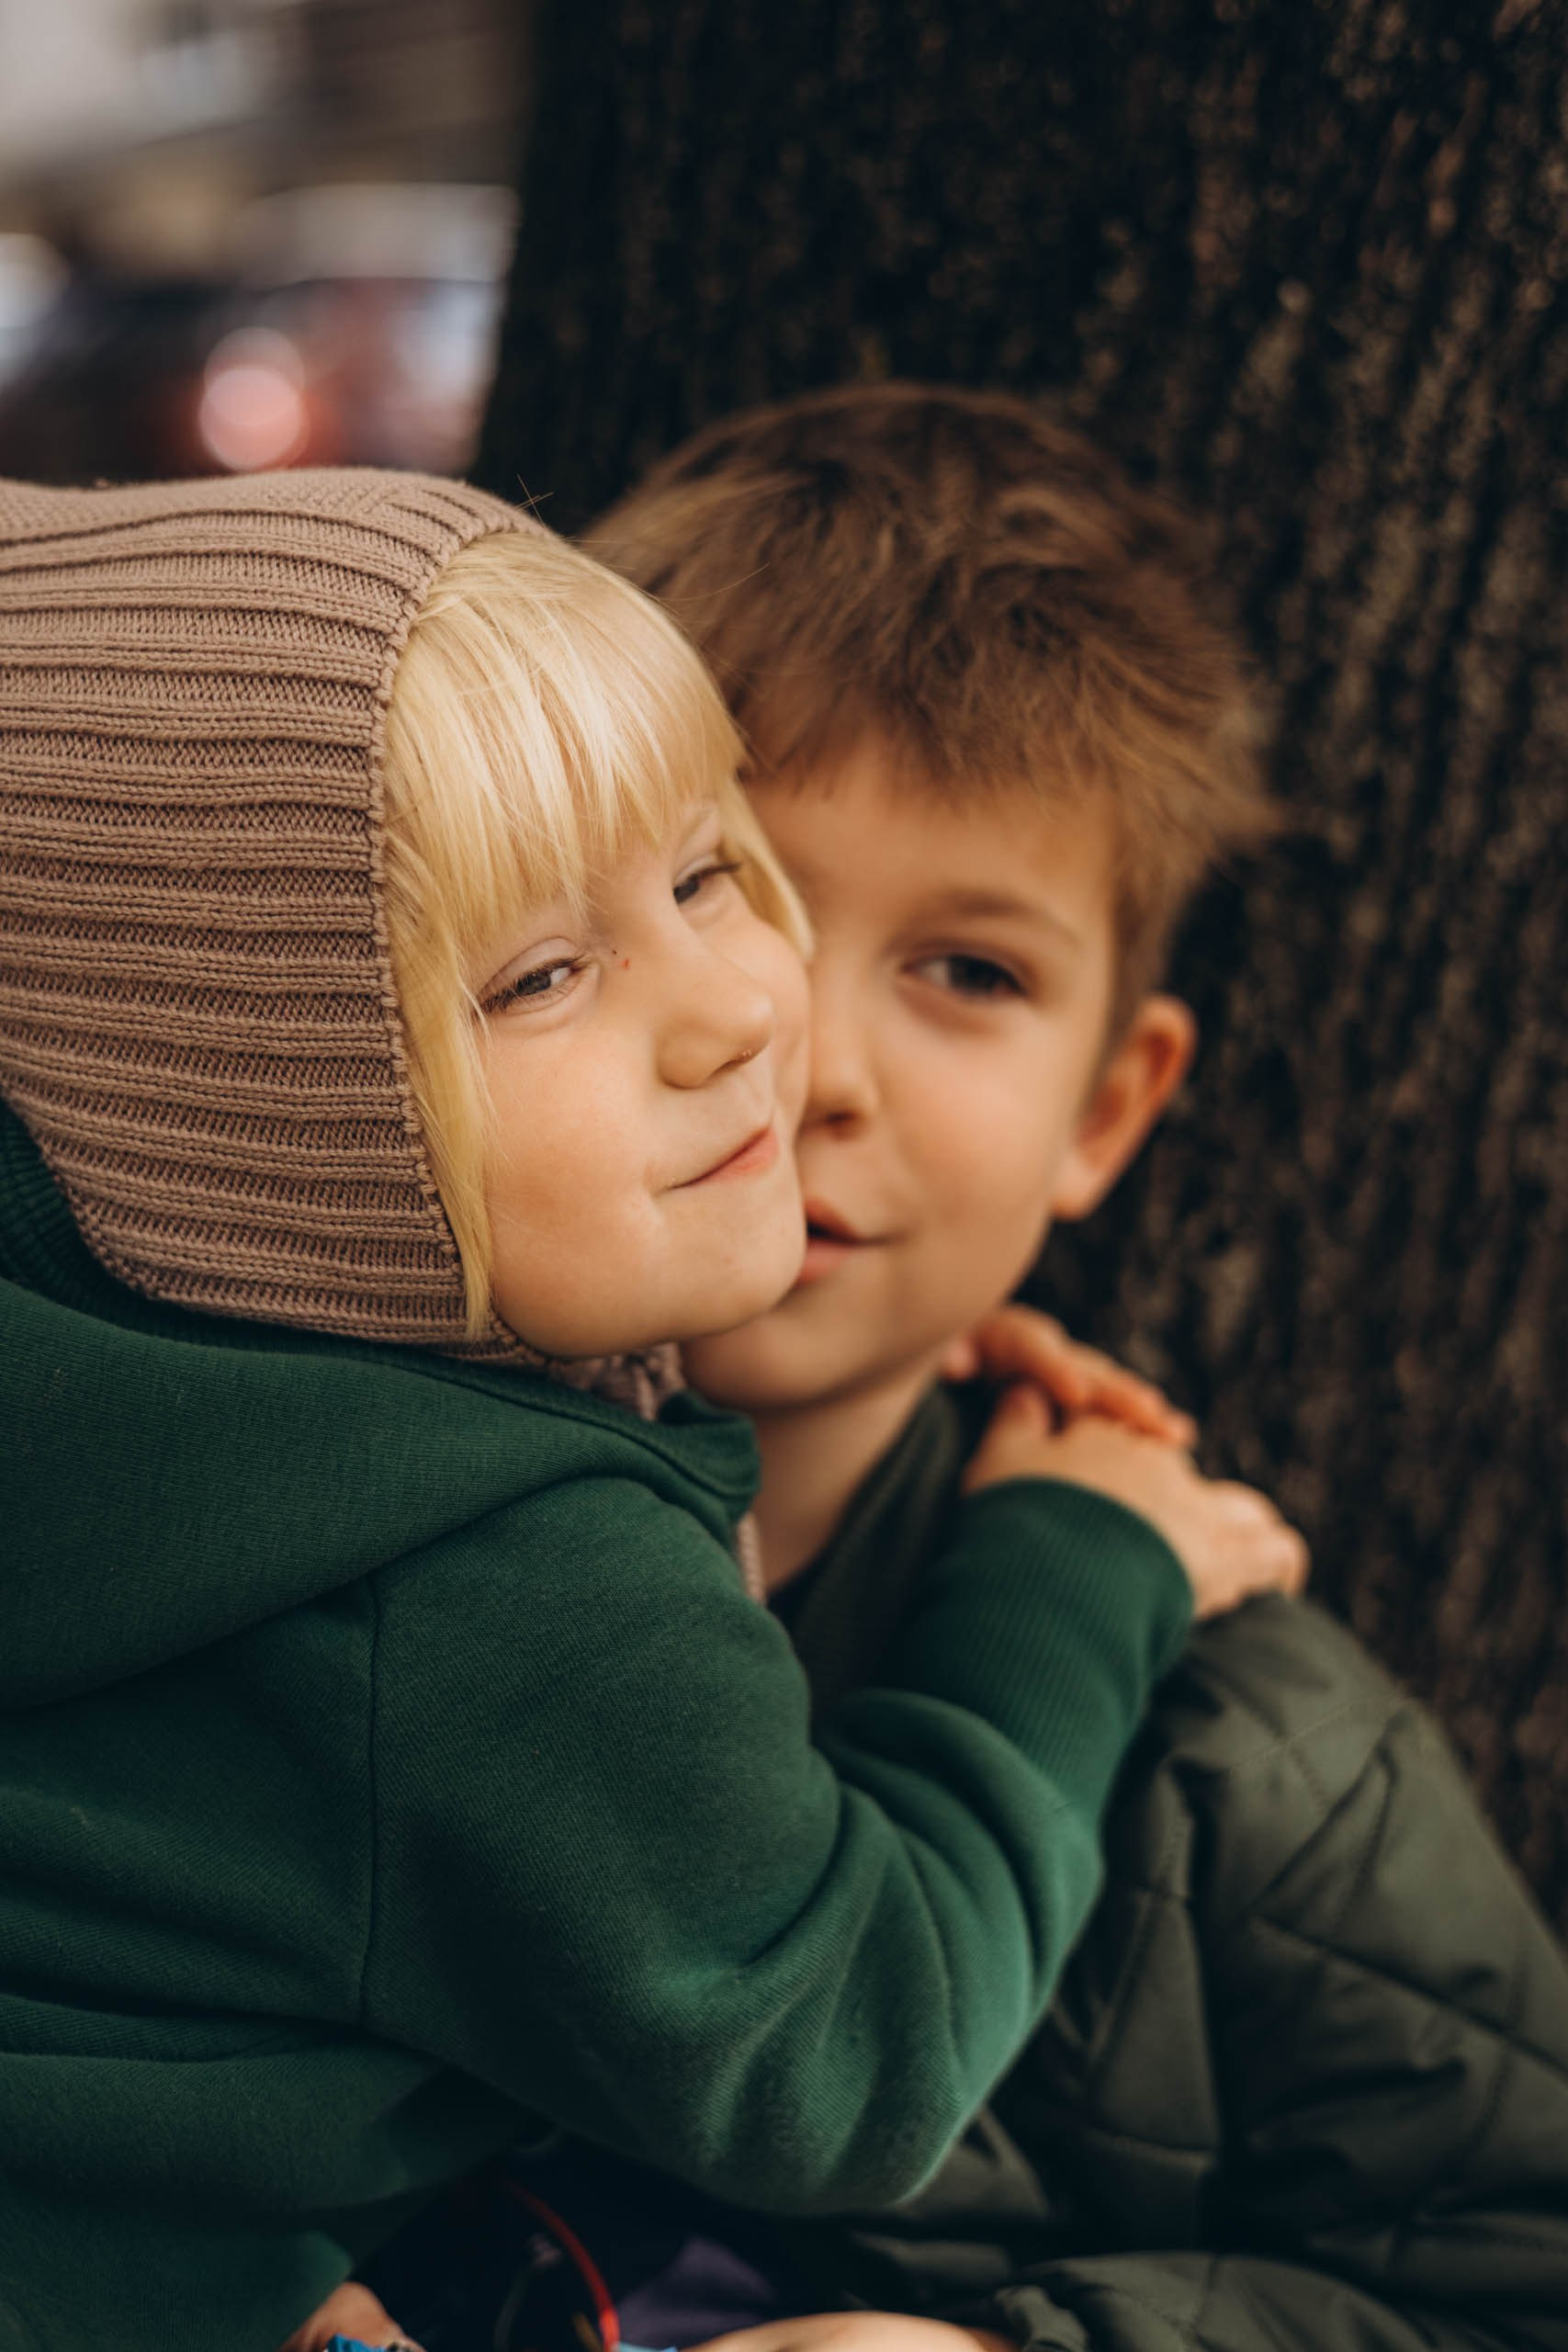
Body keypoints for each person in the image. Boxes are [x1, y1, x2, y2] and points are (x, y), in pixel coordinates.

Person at [313, 384, 1568, 2352]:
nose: (800, 1065)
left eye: (967, 971)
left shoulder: (1240, 1741)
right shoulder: (292, 1534)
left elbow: (1508, 2274)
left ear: (1108, 1102)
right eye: (729, 891)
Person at [0, 466, 1301, 2352]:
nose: (746, 1015)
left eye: (701, 868)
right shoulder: (493, 1575)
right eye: (540, 974)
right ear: (253, 1120)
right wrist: (1076, 1557)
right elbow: (849, 2055)